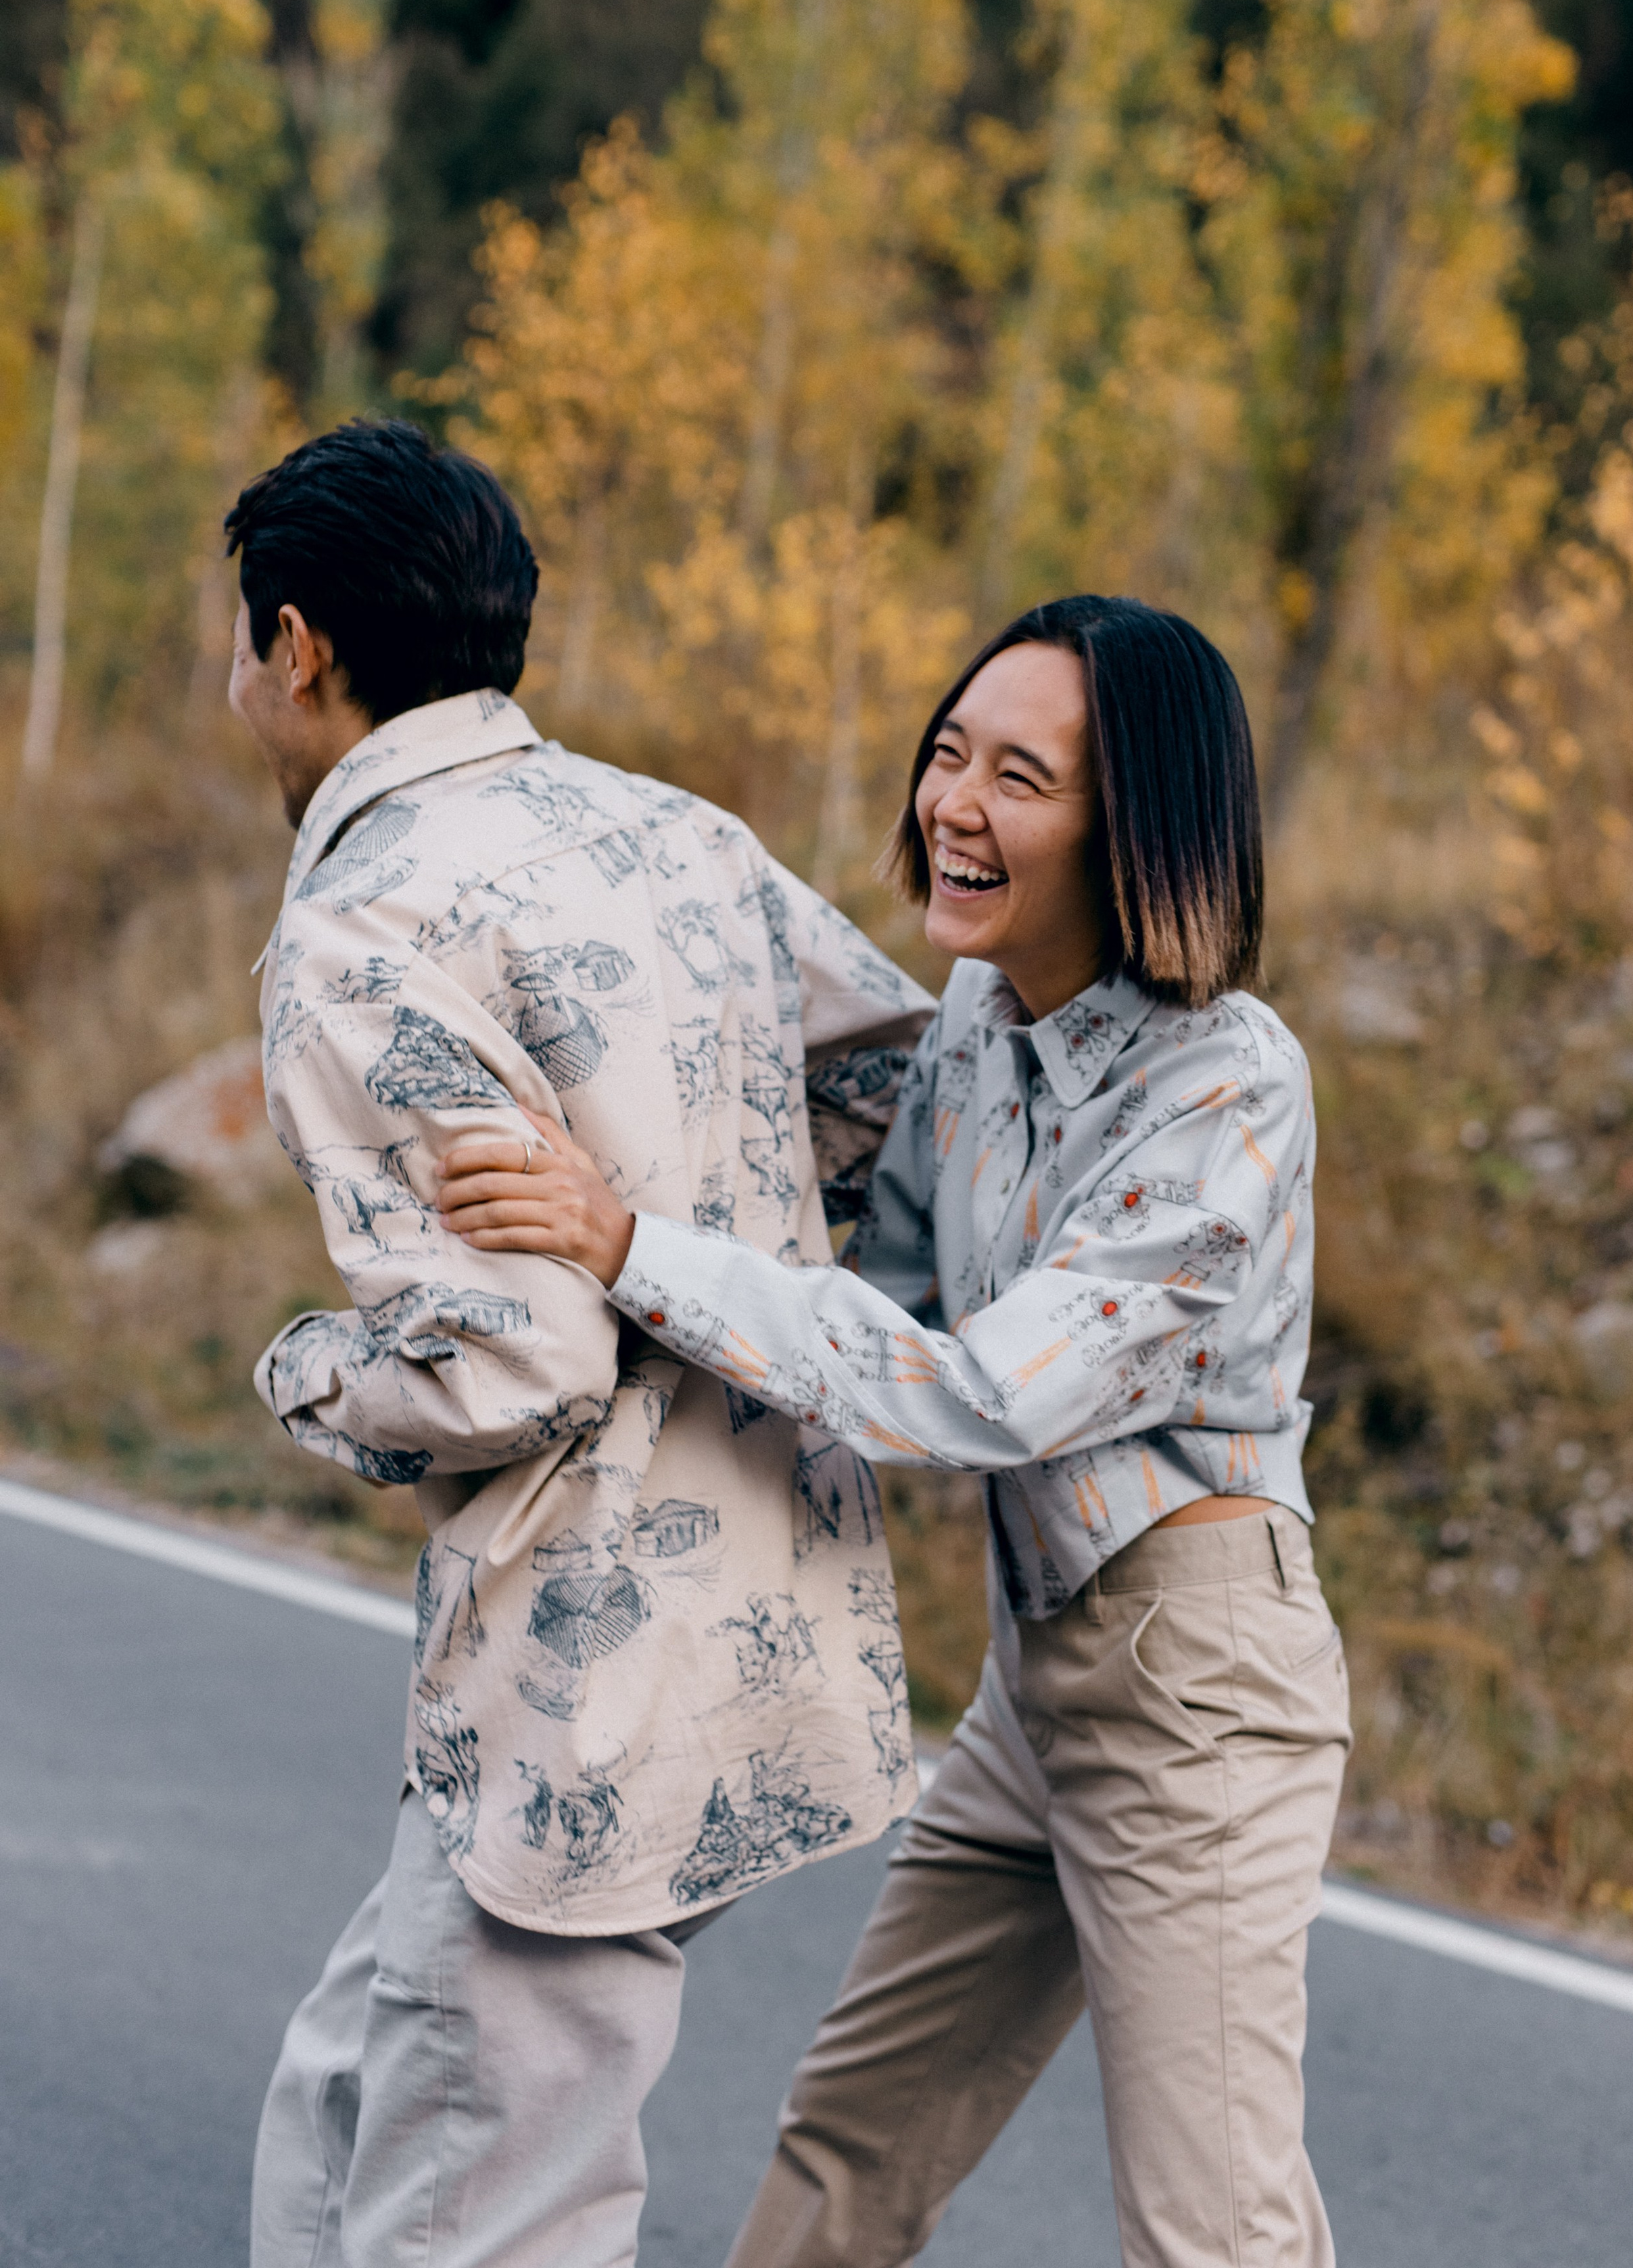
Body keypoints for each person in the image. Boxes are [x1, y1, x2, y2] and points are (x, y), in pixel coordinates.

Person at [440, 593, 1353, 2268]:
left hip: (1198, 1698)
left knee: (1209, 2232)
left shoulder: (1228, 1085)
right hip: (1041, 1679)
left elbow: (981, 1392)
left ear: (1132, 823)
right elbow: (882, 1293)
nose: (954, 803)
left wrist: (630, 1248)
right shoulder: (975, 1024)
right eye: (949, 752)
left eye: (1021, 777)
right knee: (849, 2151)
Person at [226, 417, 934, 2268]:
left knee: (480, 2209)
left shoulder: (365, 917)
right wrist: (714, 1234)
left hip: (584, 1665)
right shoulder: (674, 827)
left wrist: (306, 1374)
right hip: (778, 1599)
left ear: (295, 645)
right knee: (353, 2093)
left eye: (244, 648)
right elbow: (902, 1092)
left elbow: (511, 1363)